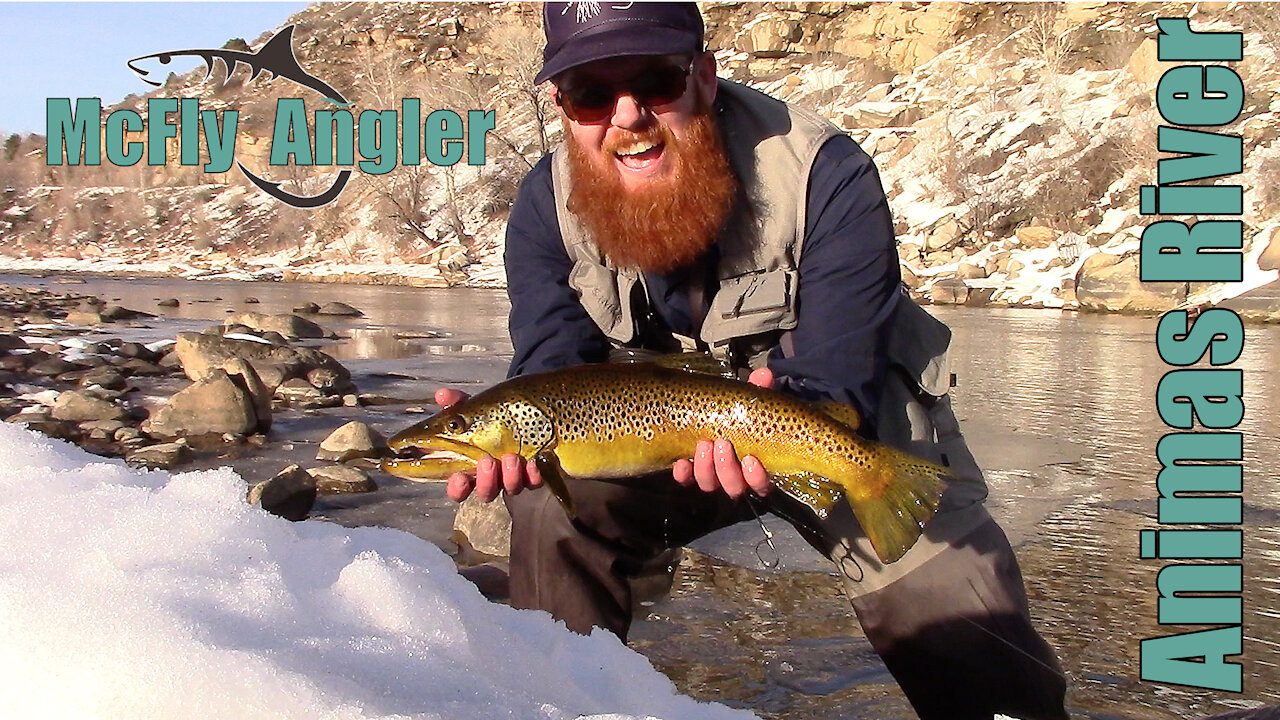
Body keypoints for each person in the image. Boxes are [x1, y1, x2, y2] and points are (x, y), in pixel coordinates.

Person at [436, 3, 1069, 718]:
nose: (628, 115)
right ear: (560, 107)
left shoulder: (823, 171)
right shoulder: (543, 208)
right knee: (548, 503)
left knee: (971, 643)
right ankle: (570, 704)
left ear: (703, 78)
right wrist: (511, 441)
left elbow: (839, 378)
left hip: (839, 428)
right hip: (655, 440)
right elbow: (554, 368)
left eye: (655, 82)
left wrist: (783, 433)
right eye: (591, 93)